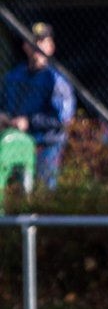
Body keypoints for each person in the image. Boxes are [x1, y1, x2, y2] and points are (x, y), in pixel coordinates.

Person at [2, 22, 76, 189]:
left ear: (51, 47)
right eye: (33, 41)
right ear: (25, 46)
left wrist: (29, 122)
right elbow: (4, 103)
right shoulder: (13, 76)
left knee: (43, 196)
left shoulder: (57, 81)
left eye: (42, 42)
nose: (37, 46)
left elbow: (62, 120)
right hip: (16, 144)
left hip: (47, 146)